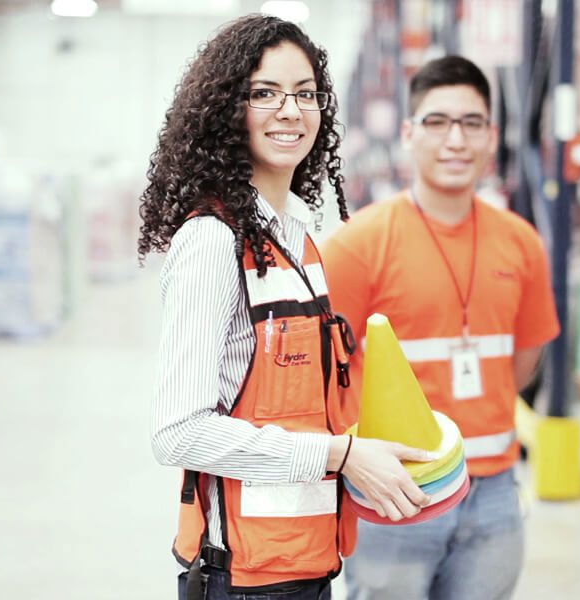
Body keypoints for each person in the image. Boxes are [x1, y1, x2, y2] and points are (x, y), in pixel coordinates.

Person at [138, 15, 438, 600]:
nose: (291, 110)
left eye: (305, 93)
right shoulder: (212, 241)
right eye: (264, 93)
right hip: (244, 578)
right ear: (227, 109)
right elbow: (177, 433)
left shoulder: (297, 242)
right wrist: (341, 455)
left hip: (308, 564)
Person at [320, 55, 561, 600]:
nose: (456, 139)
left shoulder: (521, 243)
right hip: (396, 491)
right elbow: (322, 372)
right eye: (437, 122)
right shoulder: (360, 244)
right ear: (408, 133)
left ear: (492, 136)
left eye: (471, 123)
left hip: (494, 492)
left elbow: (524, 363)